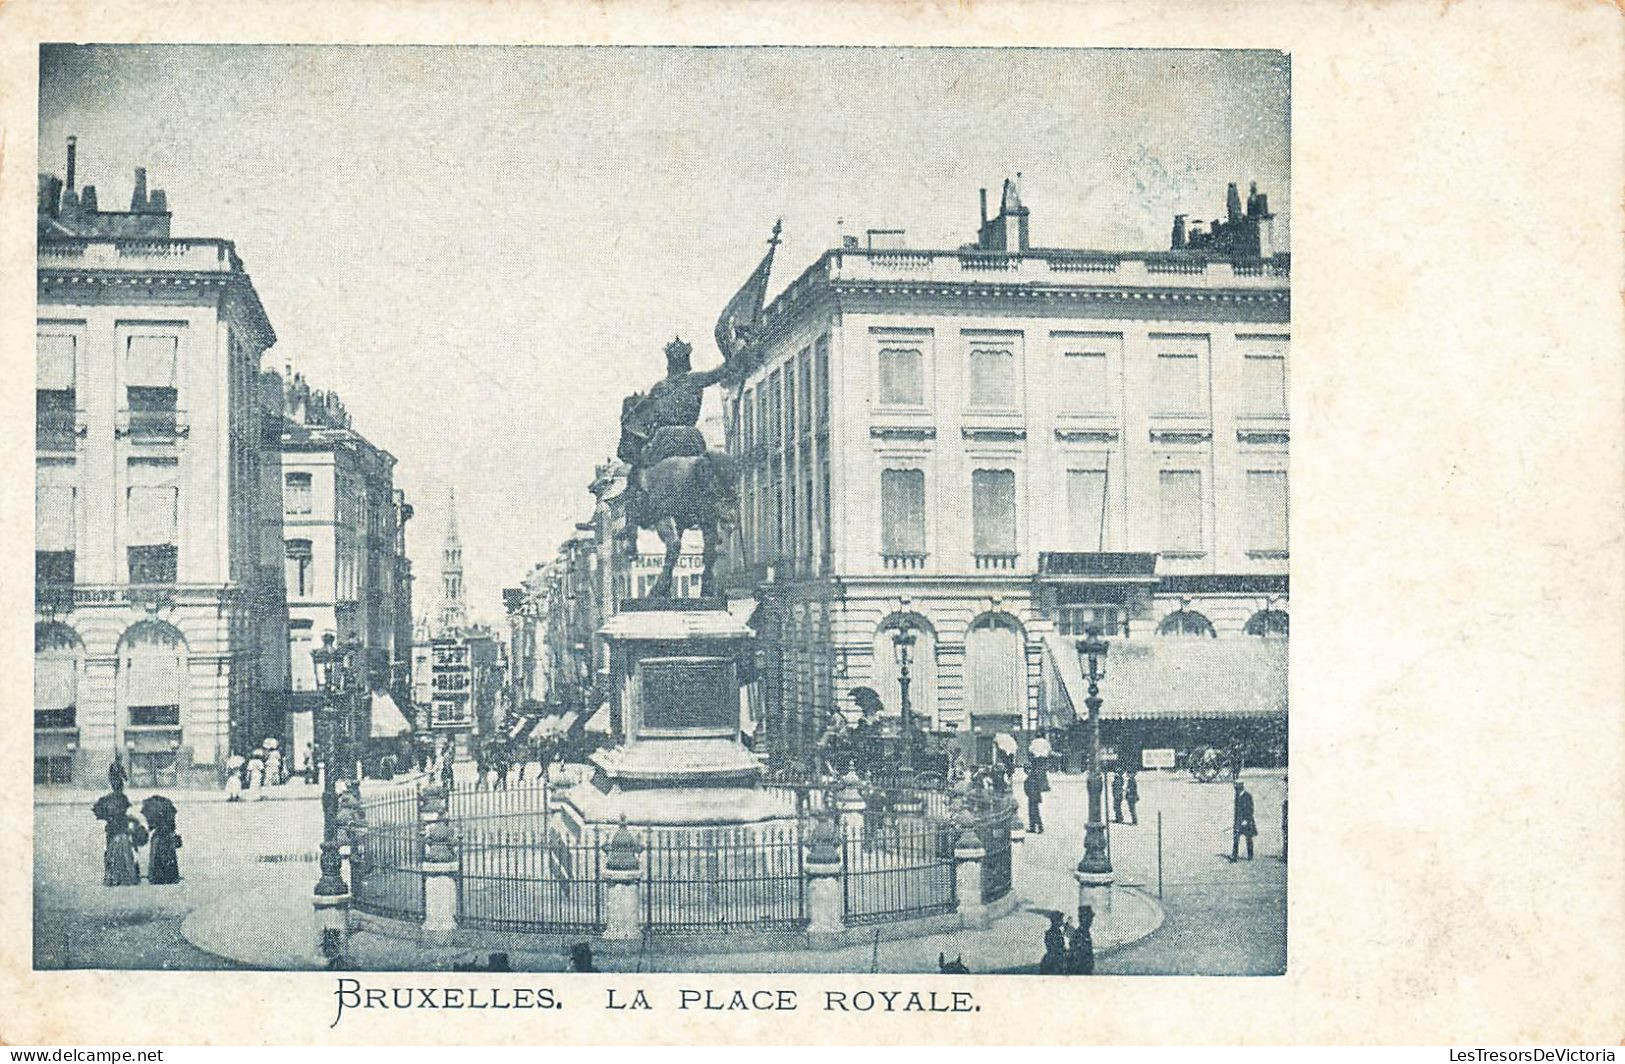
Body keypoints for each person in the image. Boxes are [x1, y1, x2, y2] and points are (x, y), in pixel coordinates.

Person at [93, 789, 140, 886]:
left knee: (113, 855)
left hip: (115, 840)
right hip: (121, 839)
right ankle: (127, 875)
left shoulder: (112, 819)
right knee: (125, 856)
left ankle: (115, 876)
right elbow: (133, 823)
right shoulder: (124, 817)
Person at [141, 795, 181, 885]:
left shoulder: (151, 808)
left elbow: (151, 826)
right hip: (167, 836)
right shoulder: (168, 809)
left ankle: (157, 876)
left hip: (159, 837)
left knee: (157, 855)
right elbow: (172, 825)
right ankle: (170, 876)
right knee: (168, 856)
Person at [1231, 781, 1257, 861]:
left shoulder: (1247, 796)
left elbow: (1250, 809)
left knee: (1248, 838)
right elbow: (1237, 811)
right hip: (1238, 821)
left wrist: (1246, 820)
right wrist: (1236, 822)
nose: (1236, 791)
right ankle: (1234, 856)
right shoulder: (1237, 796)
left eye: (1237, 789)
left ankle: (1250, 856)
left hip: (1247, 821)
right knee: (1236, 838)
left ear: (1241, 788)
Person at [1068, 905, 1096, 974]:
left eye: (1091, 919)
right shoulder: (1079, 934)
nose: (1091, 921)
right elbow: (1075, 958)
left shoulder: (1085, 932)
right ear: (1082, 919)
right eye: (1089, 919)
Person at [1022, 757, 1047, 833]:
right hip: (1032, 797)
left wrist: (1033, 795)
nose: (1026, 771)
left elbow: (1036, 788)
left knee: (1035, 813)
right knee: (1031, 813)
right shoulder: (1031, 777)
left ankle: (1040, 827)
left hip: (1034, 798)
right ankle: (1032, 827)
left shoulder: (1033, 777)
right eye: (1025, 770)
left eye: (1027, 770)